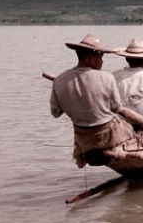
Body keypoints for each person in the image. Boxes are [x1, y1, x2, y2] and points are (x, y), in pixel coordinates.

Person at [50, 34, 135, 167]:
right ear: (91, 56)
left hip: (82, 136)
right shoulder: (107, 78)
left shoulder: (59, 80)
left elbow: (55, 112)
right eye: (101, 57)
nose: (102, 62)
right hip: (107, 135)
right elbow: (116, 108)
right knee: (132, 129)